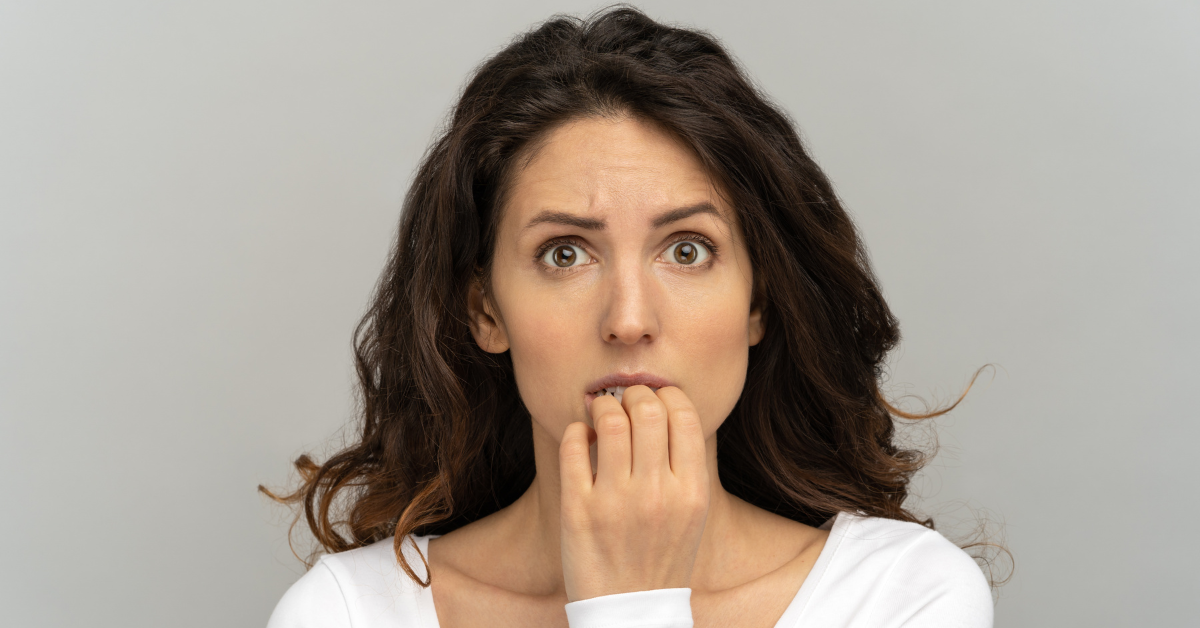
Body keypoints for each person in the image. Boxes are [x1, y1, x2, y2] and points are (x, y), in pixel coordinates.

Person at [264, 7, 994, 628]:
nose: (629, 319)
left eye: (686, 249)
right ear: (485, 310)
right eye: (564, 255)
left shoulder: (902, 597)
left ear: (758, 302)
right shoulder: (348, 614)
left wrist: (631, 599)